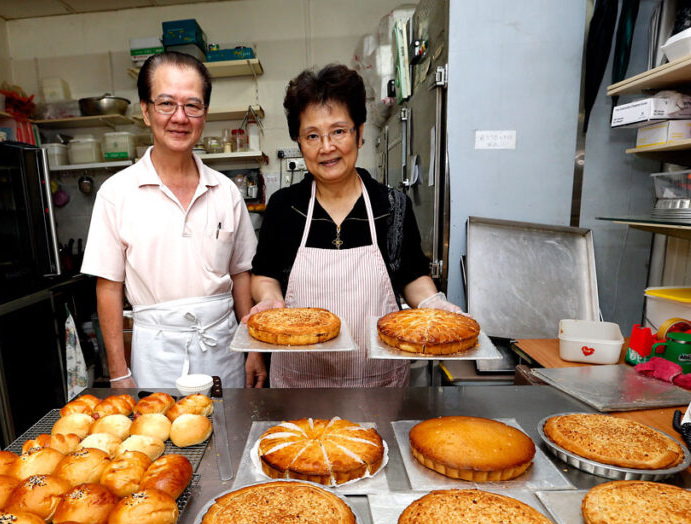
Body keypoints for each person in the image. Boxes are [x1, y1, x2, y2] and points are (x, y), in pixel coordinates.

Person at [247, 64, 468, 388]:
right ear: (299, 141)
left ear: (359, 133)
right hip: (300, 383)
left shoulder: (391, 206)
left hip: (377, 383)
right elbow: (264, 274)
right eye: (312, 136)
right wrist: (268, 298)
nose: (326, 147)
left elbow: (412, 276)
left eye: (338, 131)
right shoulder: (284, 206)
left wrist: (436, 305)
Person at [81, 52, 266, 389]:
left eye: (192, 106)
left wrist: (252, 349)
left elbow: (241, 274)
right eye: (166, 103)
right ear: (146, 110)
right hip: (155, 354)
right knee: (162, 438)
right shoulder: (117, 193)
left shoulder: (225, 191)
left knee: (229, 434)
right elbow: (108, 286)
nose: (180, 117)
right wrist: (119, 372)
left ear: (205, 114)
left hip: (223, 348)